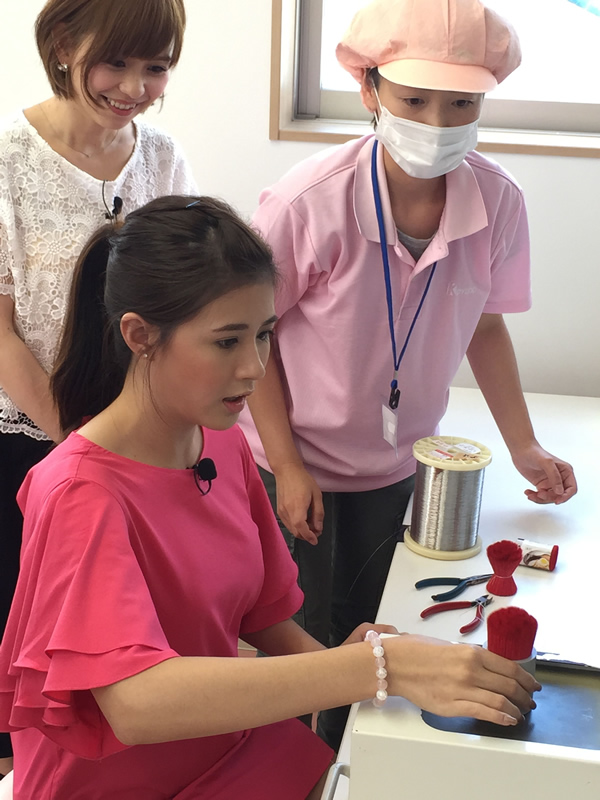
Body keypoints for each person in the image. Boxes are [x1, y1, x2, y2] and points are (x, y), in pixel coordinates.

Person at [0, 195, 539, 798]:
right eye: (227, 342)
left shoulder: (221, 444)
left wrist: (358, 662)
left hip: (222, 748)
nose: (256, 367)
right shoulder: (80, 491)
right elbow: (134, 702)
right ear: (140, 336)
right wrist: (369, 668)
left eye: (264, 335)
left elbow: (264, 619)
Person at [239, 0, 577, 750]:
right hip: (291, 462)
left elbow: (486, 326)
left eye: (461, 104)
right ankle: (289, 767)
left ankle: (348, 767)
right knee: (300, 642)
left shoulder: (498, 201)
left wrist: (524, 446)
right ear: (370, 88)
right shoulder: (307, 202)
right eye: (415, 99)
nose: (437, 122)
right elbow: (251, 340)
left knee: (376, 631)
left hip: (399, 464)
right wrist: (287, 465)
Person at [0, 0, 194, 771]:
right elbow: (0, 331)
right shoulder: (9, 158)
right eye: (116, 63)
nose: (134, 88)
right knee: (27, 629)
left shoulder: (163, 157)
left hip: (138, 439)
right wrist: (72, 441)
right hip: (29, 438)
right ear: (61, 44)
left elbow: (186, 299)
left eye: (156, 68)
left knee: (125, 634)